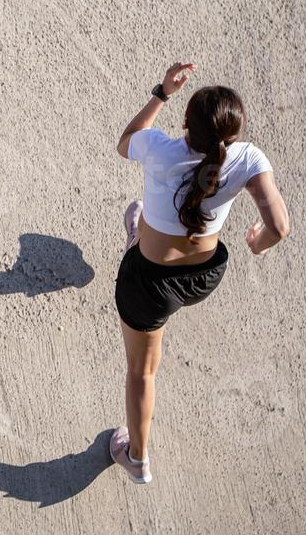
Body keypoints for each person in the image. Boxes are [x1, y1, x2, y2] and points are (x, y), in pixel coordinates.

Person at [108, 62, 291, 484]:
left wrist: (161, 92)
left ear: (186, 125)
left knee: (141, 372)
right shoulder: (247, 159)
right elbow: (278, 226)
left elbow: (124, 142)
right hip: (203, 276)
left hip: (149, 285)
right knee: (147, 220)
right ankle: (140, 233)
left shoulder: (160, 150)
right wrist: (256, 243)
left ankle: (137, 458)